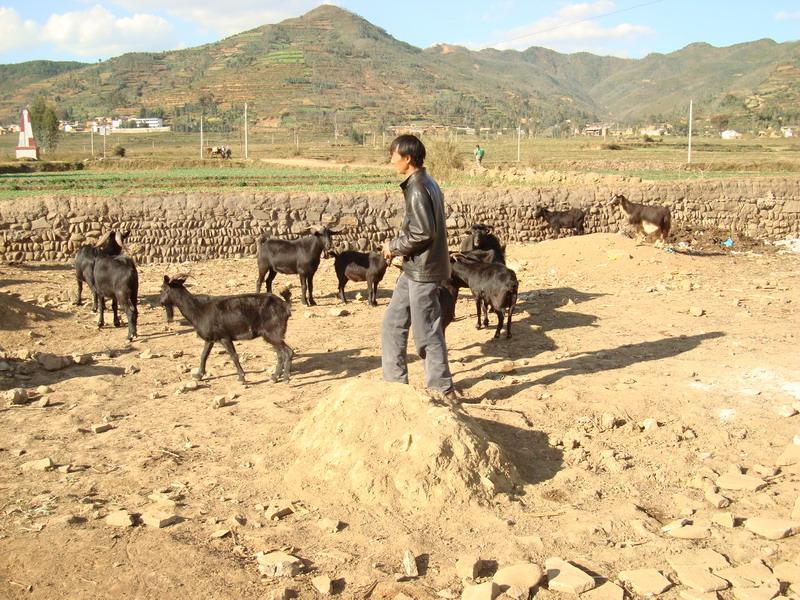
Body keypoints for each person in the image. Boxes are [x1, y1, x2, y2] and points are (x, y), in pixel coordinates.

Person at [381, 134, 458, 402]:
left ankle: (442, 388)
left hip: (423, 272)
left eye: (394, 156)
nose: (391, 161)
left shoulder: (417, 187)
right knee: (392, 322)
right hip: (414, 269)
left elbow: (423, 232)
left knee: (426, 331)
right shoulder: (427, 182)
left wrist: (394, 246)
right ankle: (393, 383)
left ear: (407, 158)